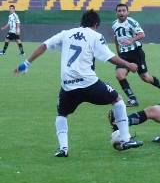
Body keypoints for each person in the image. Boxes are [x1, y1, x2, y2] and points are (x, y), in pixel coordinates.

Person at [14, 9, 143, 157]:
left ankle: (63, 148)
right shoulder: (95, 36)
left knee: (62, 114)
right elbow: (109, 57)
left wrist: (27, 63)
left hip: (68, 85)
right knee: (118, 101)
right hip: (89, 83)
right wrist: (129, 65)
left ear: (82, 22)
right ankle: (126, 139)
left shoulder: (66, 33)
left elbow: (44, 45)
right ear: (96, 24)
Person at [112, 3, 160, 107]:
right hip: (124, 55)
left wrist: (131, 40)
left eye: (123, 10)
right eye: (119, 11)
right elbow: (116, 38)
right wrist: (118, 52)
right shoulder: (114, 24)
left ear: (127, 12)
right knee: (119, 75)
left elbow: (142, 34)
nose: (121, 13)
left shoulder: (131, 22)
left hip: (136, 52)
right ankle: (132, 99)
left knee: (145, 78)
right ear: (116, 13)